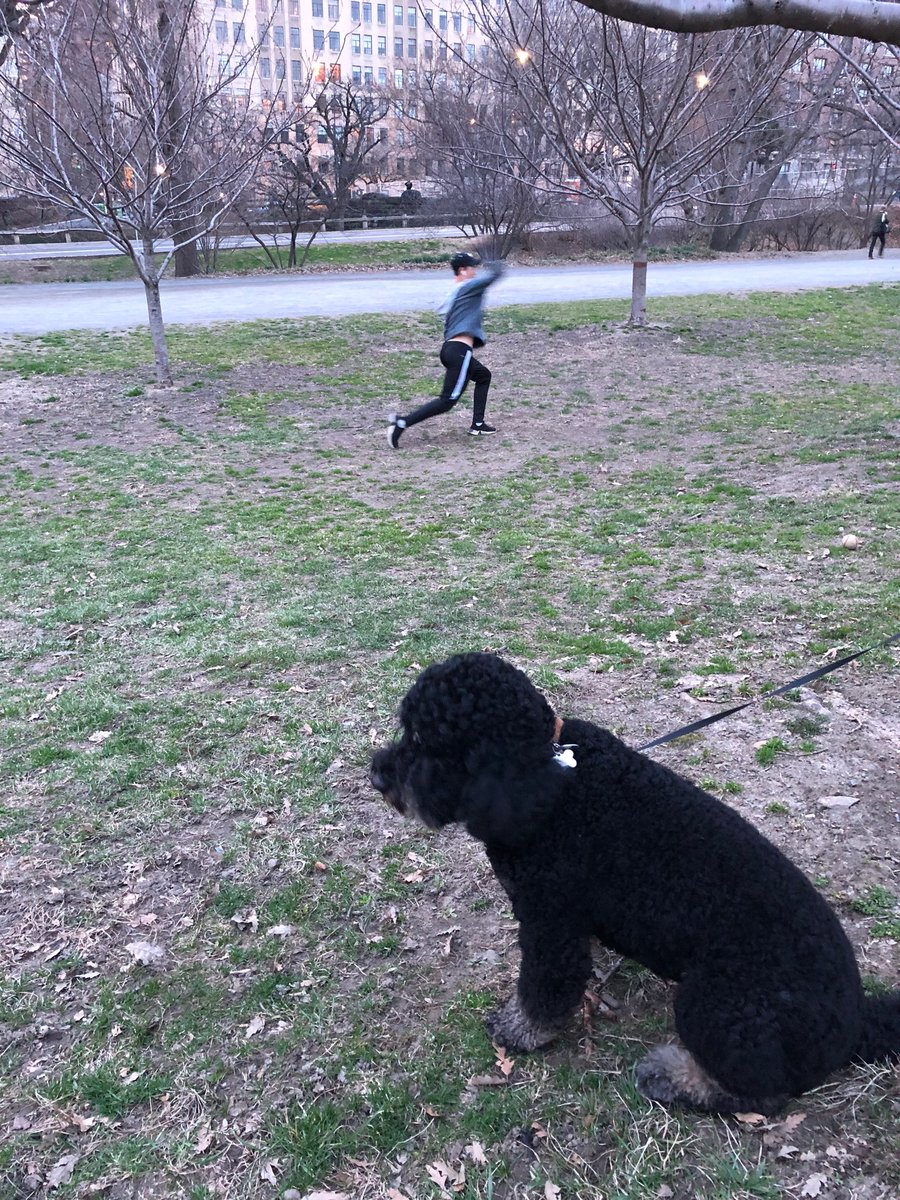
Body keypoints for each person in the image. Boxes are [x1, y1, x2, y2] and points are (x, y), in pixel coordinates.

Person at [387, 251, 506, 448]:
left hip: (452, 350)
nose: (475, 272)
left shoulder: (456, 292)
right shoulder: (467, 287)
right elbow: (495, 275)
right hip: (459, 352)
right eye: (472, 268)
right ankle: (402, 423)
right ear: (462, 270)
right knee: (447, 401)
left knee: (483, 375)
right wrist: (491, 255)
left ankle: (478, 424)